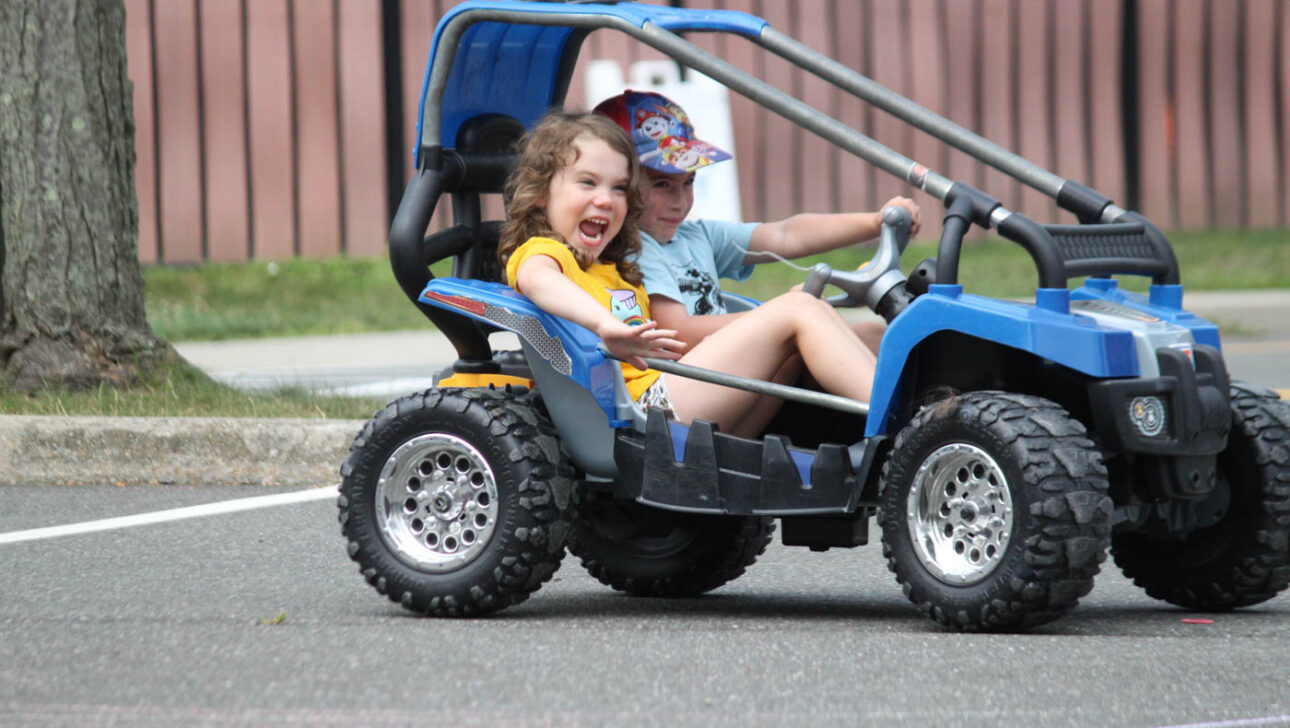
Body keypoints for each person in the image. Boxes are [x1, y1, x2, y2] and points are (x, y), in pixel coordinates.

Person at [498, 112, 880, 437]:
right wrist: (604, 326)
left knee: (864, 331)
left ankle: (920, 414)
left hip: (682, 403)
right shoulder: (543, 253)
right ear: (541, 193)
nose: (605, 198)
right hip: (644, 414)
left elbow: (784, 234)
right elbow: (537, 280)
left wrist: (876, 223)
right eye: (587, 182)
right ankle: (900, 426)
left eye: (618, 188)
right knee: (798, 309)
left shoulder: (614, 267)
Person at [594, 90, 922, 355]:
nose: (680, 200)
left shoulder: (697, 237)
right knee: (810, 320)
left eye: (689, 182)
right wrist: (778, 315)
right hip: (700, 383)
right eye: (662, 184)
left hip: (737, 364)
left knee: (872, 333)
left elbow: (785, 235)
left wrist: (875, 221)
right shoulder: (635, 249)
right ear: (621, 183)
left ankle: (918, 421)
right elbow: (677, 331)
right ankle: (893, 431)